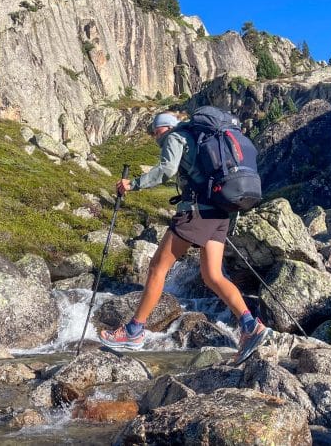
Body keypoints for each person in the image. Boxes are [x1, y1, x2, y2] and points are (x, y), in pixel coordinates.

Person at [99, 111, 271, 363]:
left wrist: (132, 184)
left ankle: (134, 331)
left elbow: (166, 169)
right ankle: (249, 325)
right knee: (213, 275)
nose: (154, 137)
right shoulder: (199, 138)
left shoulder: (175, 137)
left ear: (165, 128)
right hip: (221, 212)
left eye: (156, 132)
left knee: (158, 267)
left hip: (195, 212)